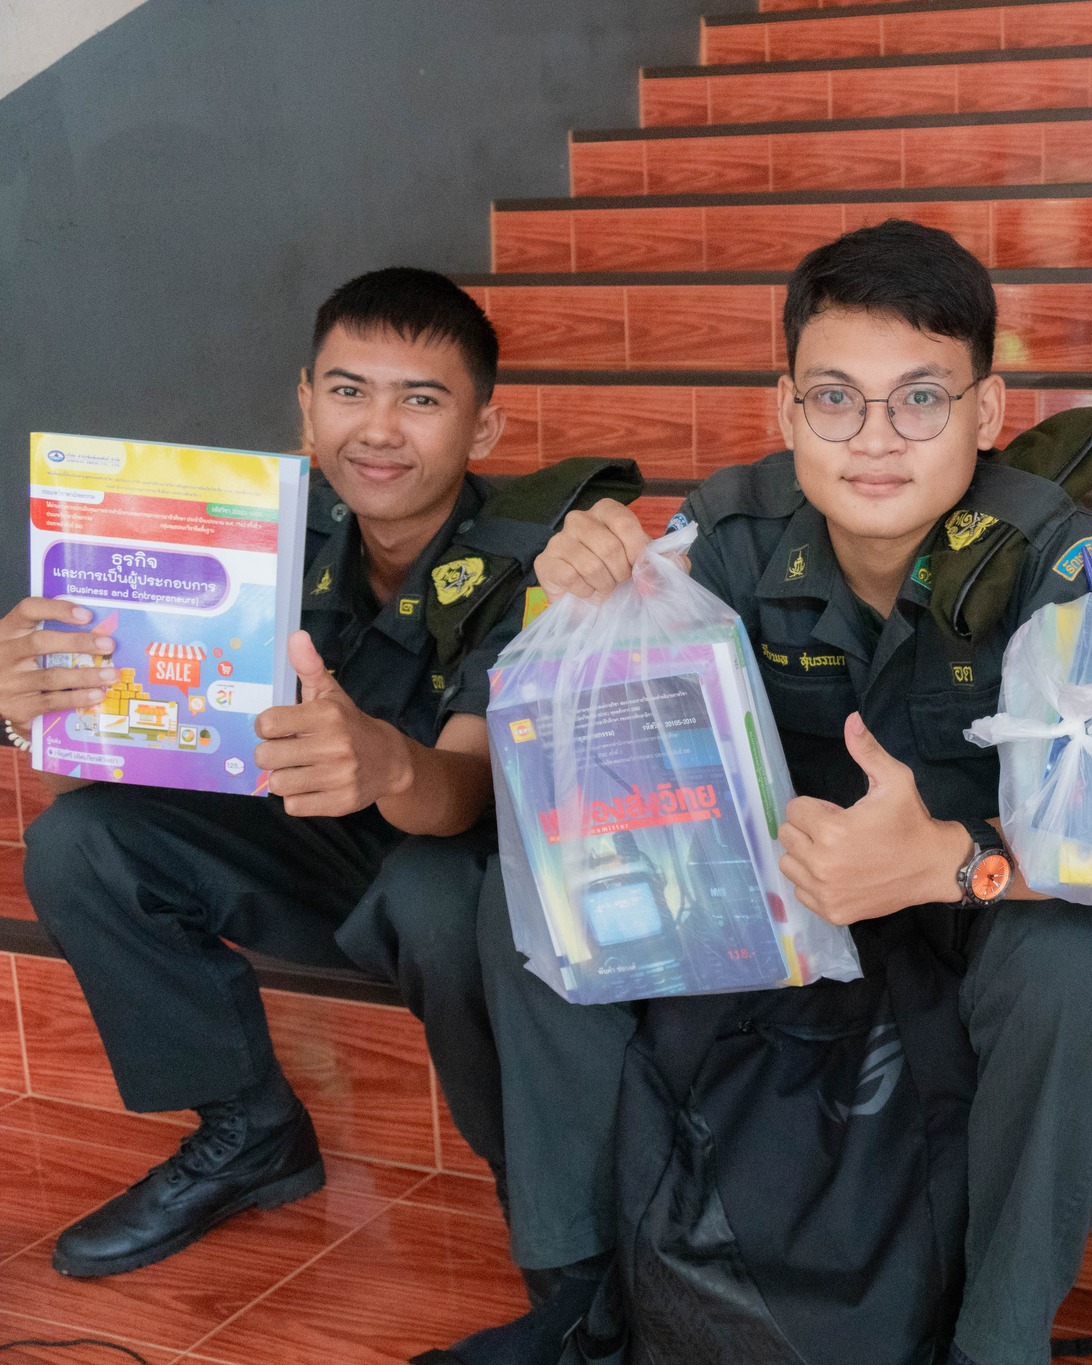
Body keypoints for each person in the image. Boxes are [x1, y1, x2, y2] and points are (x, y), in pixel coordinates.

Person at [533, 219, 1092, 1365]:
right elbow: (592, 756)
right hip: (791, 899)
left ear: (986, 410)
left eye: (920, 398)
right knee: (527, 904)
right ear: (784, 409)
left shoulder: (1055, 560)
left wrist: (951, 862)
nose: (874, 439)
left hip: (977, 908)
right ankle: (590, 1296)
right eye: (834, 398)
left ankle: (997, 1341)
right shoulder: (723, 534)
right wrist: (582, 598)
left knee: (1077, 965)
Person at [8, 271, 636, 1334]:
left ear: (486, 421)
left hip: (485, 886)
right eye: (349, 392)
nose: (378, 431)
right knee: (80, 842)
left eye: (421, 399)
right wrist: (34, 702)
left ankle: (571, 1246)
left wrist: (387, 766)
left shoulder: (534, 557)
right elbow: (144, 730)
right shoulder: (245, 542)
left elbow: (463, 790)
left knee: (436, 894)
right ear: (305, 403)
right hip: (318, 855)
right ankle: (249, 1129)